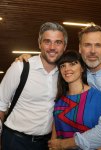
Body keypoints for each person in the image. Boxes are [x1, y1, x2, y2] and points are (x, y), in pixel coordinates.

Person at [15, 24, 101, 150]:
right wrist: (28, 59)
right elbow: (53, 60)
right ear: (80, 48)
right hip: (82, 139)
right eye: (87, 45)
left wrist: (63, 144)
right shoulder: (79, 70)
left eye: (98, 45)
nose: (92, 50)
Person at [0, 22, 68, 150]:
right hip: (15, 141)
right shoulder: (21, 67)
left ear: (64, 46)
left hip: (46, 144)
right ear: (39, 44)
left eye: (58, 42)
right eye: (47, 41)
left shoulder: (65, 74)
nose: (52, 47)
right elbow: (0, 103)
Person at [49, 50, 101, 150]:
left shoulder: (97, 97)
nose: (67, 69)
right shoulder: (60, 100)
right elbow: (54, 137)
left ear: (82, 68)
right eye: (63, 65)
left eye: (72, 64)